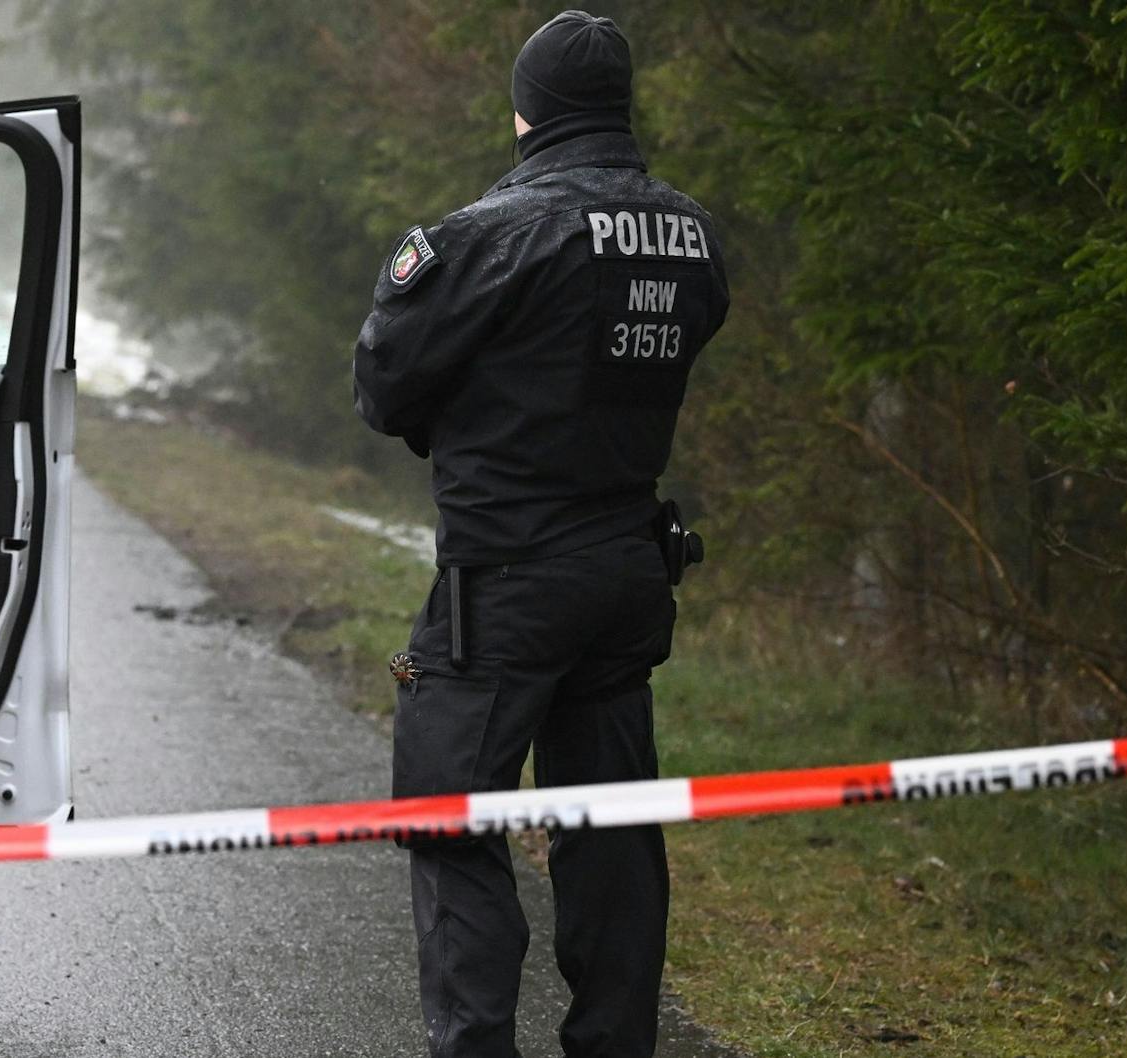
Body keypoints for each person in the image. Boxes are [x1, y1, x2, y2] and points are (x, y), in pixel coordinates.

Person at [351, 11, 730, 1058]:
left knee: (446, 813)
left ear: (526, 110)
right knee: (609, 831)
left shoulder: (489, 235)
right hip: (626, 572)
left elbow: (383, 387)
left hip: (505, 583)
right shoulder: (692, 235)